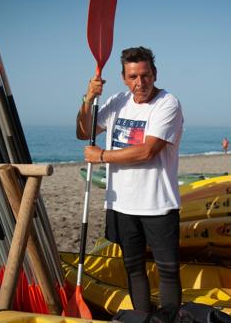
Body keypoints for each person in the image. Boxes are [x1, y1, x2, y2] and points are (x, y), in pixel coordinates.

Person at [76, 46, 184, 312]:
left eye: (145, 75)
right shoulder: (116, 102)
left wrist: (101, 155)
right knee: (133, 269)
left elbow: (148, 151)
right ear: (124, 78)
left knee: (168, 270)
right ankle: (144, 318)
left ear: (154, 74)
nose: (140, 83)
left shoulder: (168, 103)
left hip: (158, 204)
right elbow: (82, 132)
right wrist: (88, 99)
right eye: (133, 77)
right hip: (122, 204)